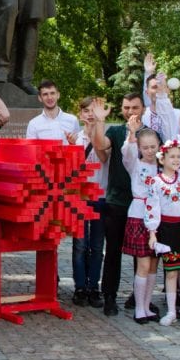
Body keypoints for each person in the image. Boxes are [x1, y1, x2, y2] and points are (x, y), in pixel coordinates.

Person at [144, 137, 180, 328]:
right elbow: (152, 206)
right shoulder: (156, 182)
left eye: (179, 157)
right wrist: (152, 232)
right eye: (172, 157)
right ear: (162, 159)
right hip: (167, 229)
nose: (176, 160)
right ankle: (171, 311)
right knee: (170, 273)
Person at [99, 92, 146, 316]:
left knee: (142, 252)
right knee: (113, 251)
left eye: (135, 107)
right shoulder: (116, 131)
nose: (130, 112)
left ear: (143, 109)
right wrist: (99, 120)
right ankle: (109, 295)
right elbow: (101, 144)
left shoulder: (151, 133)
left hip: (144, 202)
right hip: (117, 200)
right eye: (126, 107)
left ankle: (139, 297)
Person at [120, 121, 162, 322]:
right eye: (145, 147)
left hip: (157, 216)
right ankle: (138, 307)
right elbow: (127, 152)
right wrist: (132, 133)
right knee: (143, 264)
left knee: (154, 264)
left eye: (153, 147)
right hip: (139, 214)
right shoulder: (135, 163)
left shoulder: (162, 167)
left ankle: (147, 305)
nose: (149, 151)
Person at [72, 97, 111, 307]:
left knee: (97, 246)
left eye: (93, 111)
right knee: (79, 245)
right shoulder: (74, 139)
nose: (89, 114)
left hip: (100, 196)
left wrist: (96, 135)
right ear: (80, 114)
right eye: (86, 111)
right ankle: (79, 286)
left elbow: (104, 159)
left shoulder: (105, 138)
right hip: (79, 197)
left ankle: (93, 286)